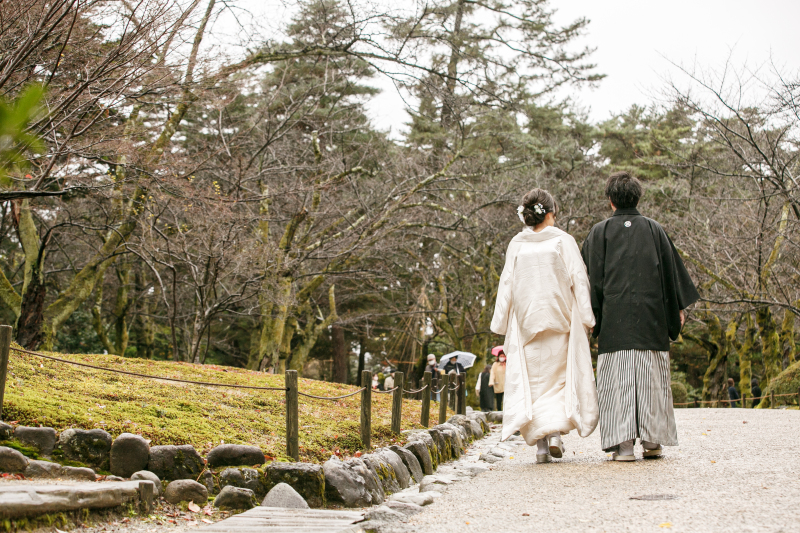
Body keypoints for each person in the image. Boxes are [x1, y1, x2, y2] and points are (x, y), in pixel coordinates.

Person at [582, 172, 700, 461]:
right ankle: (652, 440)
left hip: (613, 320)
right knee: (651, 378)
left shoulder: (599, 233)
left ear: (610, 200)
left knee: (617, 380)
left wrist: (593, 316)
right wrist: (677, 312)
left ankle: (623, 445)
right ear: (638, 197)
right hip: (652, 318)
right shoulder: (654, 229)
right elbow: (671, 278)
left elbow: (591, 280)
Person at [491, 188, 598, 464]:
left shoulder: (518, 244)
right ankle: (554, 436)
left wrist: (500, 320)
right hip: (558, 319)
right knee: (557, 382)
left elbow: (507, 282)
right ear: (550, 212)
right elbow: (579, 278)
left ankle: (540, 446)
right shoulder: (563, 241)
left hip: (528, 322)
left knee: (533, 384)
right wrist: (588, 316)